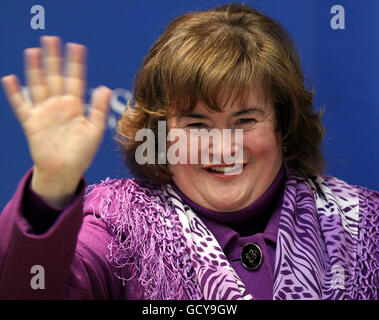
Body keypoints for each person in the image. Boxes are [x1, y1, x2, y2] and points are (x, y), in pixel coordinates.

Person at [0, 3, 377, 300]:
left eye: (245, 120)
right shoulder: (117, 227)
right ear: (162, 135)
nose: (223, 146)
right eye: (197, 124)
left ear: (282, 125)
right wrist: (50, 189)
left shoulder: (363, 225)